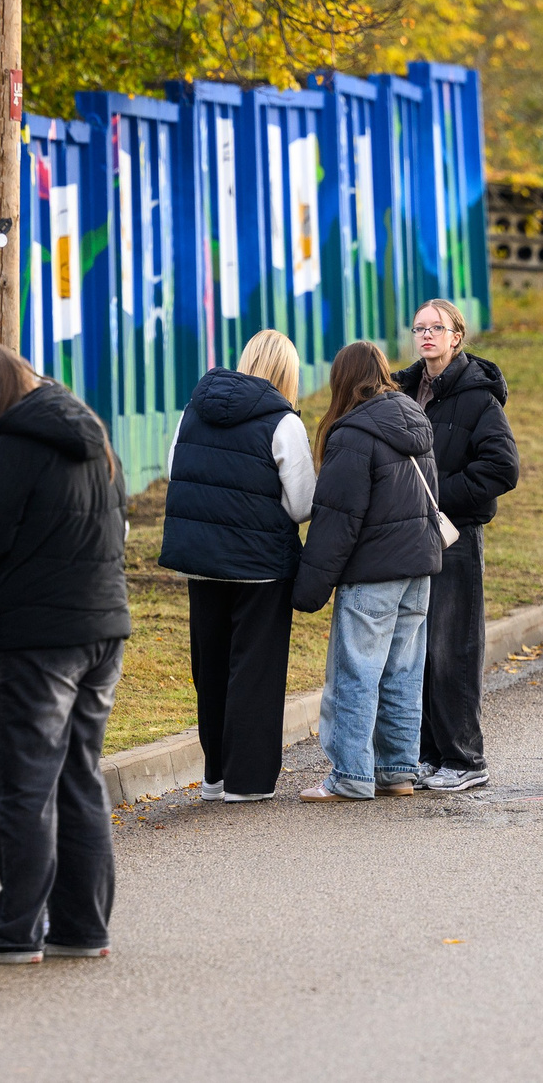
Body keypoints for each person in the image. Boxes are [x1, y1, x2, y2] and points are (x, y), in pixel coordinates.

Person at [0, 345, 131, 966]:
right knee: (79, 779)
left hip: (36, 638)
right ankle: (81, 926)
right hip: (103, 628)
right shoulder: (91, 434)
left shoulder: (11, 443)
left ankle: (14, 931)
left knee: (19, 785)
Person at [158, 329, 316, 801]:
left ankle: (215, 776)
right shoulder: (283, 422)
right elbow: (303, 502)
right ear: (287, 372)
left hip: (202, 561)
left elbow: (175, 470)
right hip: (262, 566)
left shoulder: (193, 411)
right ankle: (247, 781)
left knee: (211, 667)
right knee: (255, 670)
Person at [294, 341, 446, 802]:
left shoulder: (351, 434)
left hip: (373, 573)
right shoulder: (415, 420)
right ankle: (397, 771)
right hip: (418, 568)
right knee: (402, 671)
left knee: (355, 673)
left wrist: (308, 588)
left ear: (343, 379)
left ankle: (350, 776)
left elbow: (336, 520)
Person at [394, 300, 520, 793]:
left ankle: (466, 760)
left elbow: (502, 469)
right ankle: (429, 754)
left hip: (455, 536)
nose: (426, 335)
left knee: (453, 649)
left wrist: (435, 494)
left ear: (456, 337)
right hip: (408, 536)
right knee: (419, 651)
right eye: (419, 327)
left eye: (436, 328)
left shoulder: (477, 397)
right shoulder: (404, 390)